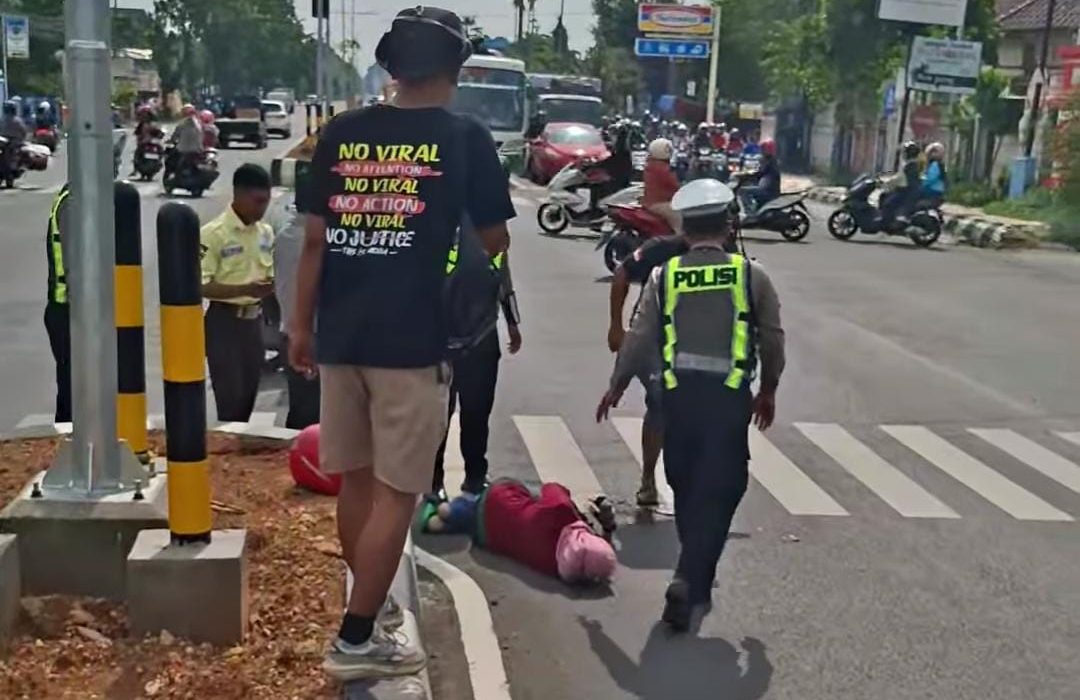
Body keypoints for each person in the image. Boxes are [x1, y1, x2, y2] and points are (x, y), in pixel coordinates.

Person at [289, 6, 513, 680]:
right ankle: (357, 638)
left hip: (340, 334)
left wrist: (300, 326)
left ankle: (372, 605)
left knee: (356, 481)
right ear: (457, 68)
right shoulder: (465, 140)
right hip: (413, 343)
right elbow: (495, 241)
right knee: (399, 493)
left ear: (390, 65)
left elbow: (313, 240)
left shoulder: (342, 134)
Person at [597, 178, 786, 632]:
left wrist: (617, 384)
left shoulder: (667, 275)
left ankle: (692, 577)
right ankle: (689, 575)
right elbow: (773, 340)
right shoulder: (751, 274)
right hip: (728, 400)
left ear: (686, 229)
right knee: (725, 488)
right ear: (727, 225)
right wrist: (769, 390)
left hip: (678, 398)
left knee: (683, 482)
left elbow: (640, 337)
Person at [430, 249, 522, 501]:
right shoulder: (445, 227)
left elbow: (503, 278)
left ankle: (472, 478)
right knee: (444, 415)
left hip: (478, 337)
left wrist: (513, 324)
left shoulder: (492, 237)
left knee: (475, 413)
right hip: (445, 340)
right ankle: (436, 480)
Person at [607, 233, 690, 506]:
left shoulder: (724, 253)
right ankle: (648, 479)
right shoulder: (659, 249)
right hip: (653, 339)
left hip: (695, 342)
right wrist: (616, 326)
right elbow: (622, 273)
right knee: (659, 404)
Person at [200, 163, 275, 422]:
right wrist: (245, 290)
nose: (262, 208)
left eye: (266, 202)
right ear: (239, 195)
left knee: (248, 397)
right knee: (230, 400)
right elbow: (199, 285)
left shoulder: (265, 233)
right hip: (225, 323)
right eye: (257, 201)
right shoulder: (214, 234)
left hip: (254, 324)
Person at [269, 160, 320, 430]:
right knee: (314, 416)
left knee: (301, 409)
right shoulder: (315, 240)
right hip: (312, 334)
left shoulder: (286, 234)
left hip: (291, 331)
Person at [44, 183, 73, 423]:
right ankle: (69, 444)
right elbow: (77, 266)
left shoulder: (74, 198)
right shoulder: (74, 203)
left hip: (70, 309)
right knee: (72, 386)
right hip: (69, 310)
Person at [643, 138, 682, 233]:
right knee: (679, 220)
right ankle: (680, 242)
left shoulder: (651, 164)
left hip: (653, 202)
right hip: (660, 203)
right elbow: (674, 185)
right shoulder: (662, 168)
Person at [880, 140, 922, 225]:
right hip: (907, 190)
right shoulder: (912, 164)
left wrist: (886, 181)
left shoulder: (909, 166)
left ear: (908, 153)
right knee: (886, 196)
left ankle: (888, 223)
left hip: (905, 191)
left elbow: (899, 178)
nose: (903, 154)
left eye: (904, 152)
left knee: (888, 204)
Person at [738, 138, 781, 214]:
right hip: (767, 188)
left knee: (743, 191)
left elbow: (759, 172)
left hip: (768, 191)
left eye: (763, 148)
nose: (761, 150)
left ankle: (750, 212)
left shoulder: (769, 161)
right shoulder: (769, 159)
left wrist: (744, 174)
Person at [169, 104, 205, 178]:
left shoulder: (182, 124)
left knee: (174, 161)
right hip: (198, 150)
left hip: (184, 150)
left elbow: (175, 135)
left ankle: (175, 176)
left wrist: (171, 140)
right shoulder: (199, 123)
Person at [1, 100, 27, 172]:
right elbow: (24, 131)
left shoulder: (2, 120)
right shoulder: (18, 120)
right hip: (14, 142)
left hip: (5, 142)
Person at [921, 142, 947, 209]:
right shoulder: (940, 165)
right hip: (937, 191)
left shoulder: (935, 165)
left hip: (932, 191)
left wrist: (921, 182)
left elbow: (931, 179)